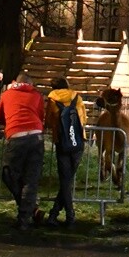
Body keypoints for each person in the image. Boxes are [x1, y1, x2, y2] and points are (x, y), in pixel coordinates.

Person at [0, 71, 45, 230]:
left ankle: (27, 210)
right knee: (31, 179)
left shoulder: (7, 94)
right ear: (30, 84)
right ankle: (25, 217)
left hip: (17, 136)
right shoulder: (37, 95)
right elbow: (41, 115)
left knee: (8, 173)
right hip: (36, 137)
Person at [44, 76, 87, 228]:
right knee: (67, 181)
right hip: (78, 143)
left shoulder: (52, 100)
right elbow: (84, 120)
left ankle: (62, 216)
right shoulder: (77, 97)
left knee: (65, 181)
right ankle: (63, 216)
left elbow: (48, 121)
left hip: (62, 143)